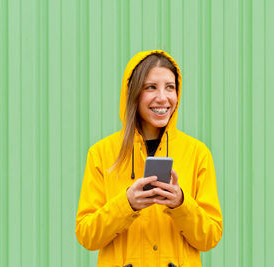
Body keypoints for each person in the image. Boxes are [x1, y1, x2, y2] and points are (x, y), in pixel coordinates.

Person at [75, 50, 223, 267]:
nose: (163, 98)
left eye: (170, 87)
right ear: (133, 93)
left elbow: (211, 236)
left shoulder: (198, 153)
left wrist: (181, 203)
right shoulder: (101, 153)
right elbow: (86, 235)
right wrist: (126, 205)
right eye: (151, 87)